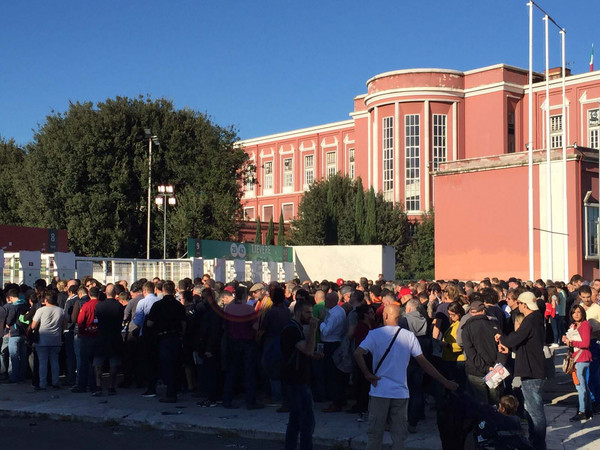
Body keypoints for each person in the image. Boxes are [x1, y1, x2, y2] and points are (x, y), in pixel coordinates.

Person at [354, 304, 458, 450]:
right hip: (400, 393)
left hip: (379, 391)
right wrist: (445, 381)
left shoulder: (374, 334)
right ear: (400, 318)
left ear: (385, 316)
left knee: (375, 435)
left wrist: (367, 374)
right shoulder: (409, 336)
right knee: (399, 436)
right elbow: (424, 363)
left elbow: (358, 353)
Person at [496, 291, 547, 450]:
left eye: (519, 303)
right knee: (532, 409)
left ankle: (537, 444)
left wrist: (501, 338)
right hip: (532, 368)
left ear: (524, 304)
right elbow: (525, 343)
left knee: (534, 411)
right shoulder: (536, 318)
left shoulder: (530, 320)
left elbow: (515, 338)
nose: (518, 306)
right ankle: (536, 441)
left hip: (531, 371)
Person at [281, 301, 323, 450]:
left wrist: (312, 354)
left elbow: (304, 352)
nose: (311, 316)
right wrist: (313, 329)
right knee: (306, 422)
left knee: (296, 420)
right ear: (298, 313)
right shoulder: (292, 330)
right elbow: (307, 350)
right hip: (296, 381)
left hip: (298, 379)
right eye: (308, 313)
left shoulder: (296, 328)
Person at [145, 280, 186, 403]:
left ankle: (170, 393)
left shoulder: (158, 305)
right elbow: (184, 324)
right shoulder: (179, 305)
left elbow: (150, 323)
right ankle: (175, 389)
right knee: (176, 365)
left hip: (163, 339)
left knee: (166, 366)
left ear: (162, 290)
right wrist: (181, 336)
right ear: (174, 290)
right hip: (176, 337)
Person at [562, 304, 593, 421]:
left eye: (579, 312)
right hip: (579, 357)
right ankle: (588, 410)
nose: (576, 314)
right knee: (583, 384)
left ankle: (582, 411)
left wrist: (571, 342)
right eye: (574, 312)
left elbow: (585, 343)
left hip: (582, 357)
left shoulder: (585, 325)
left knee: (580, 385)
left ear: (583, 313)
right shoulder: (575, 325)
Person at [31, 292, 67, 390]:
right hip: (56, 339)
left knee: (43, 363)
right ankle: (55, 382)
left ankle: (43, 384)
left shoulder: (41, 310)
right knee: (55, 362)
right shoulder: (61, 311)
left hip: (42, 340)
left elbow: (33, 325)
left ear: (45, 300)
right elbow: (65, 325)